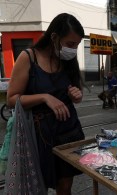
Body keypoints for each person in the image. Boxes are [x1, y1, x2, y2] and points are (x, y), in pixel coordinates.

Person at [6, 13, 85, 194]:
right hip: (40, 134)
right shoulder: (28, 57)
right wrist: (44, 97)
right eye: (71, 44)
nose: (73, 50)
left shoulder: (67, 60)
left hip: (68, 131)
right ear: (54, 37)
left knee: (65, 185)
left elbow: (76, 94)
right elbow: (12, 99)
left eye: (77, 45)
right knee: (39, 183)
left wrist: (76, 96)